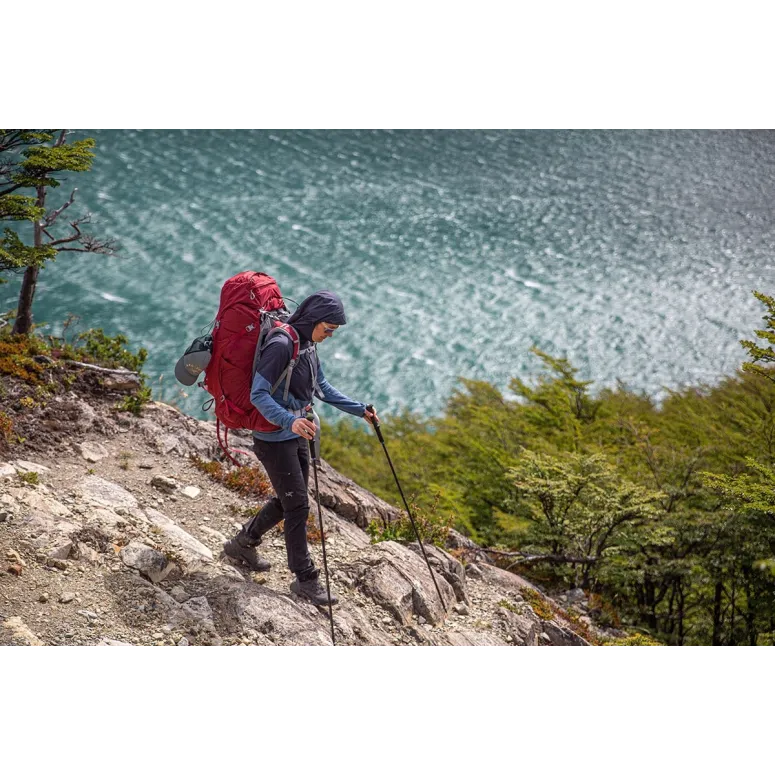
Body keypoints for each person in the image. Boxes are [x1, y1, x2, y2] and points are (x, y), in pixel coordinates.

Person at [222, 290, 378, 606]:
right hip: (273, 438)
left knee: (287, 500)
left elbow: (321, 388)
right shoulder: (282, 344)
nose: (330, 335)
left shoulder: (307, 345)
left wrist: (359, 410)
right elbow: (259, 394)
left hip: (296, 433)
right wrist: (289, 422)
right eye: (328, 329)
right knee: (298, 506)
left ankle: (243, 542)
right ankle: (305, 578)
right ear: (313, 320)